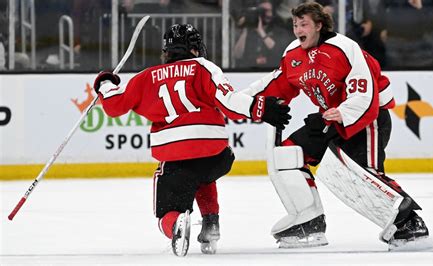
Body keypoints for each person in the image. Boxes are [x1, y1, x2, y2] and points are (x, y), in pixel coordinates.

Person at [93, 24, 291, 256]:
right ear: (195, 49)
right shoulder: (204, 67)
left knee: (166, 212)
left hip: (176, 159)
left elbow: (114, 106)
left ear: (166, 52)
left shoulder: (146, 77)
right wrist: (259, 108)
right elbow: (229, 100)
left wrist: (105, 83)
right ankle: (211, 223)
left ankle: (176, 224)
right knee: (202, 173)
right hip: (217, 156)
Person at [242, 2, 429, 248]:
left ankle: (410, 223)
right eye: (295, 24)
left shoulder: (344, 48)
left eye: (304, 24)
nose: (298, 29)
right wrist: (238, 101)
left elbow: (366, 95)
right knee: (287, 155)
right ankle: (309, 221)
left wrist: (339, 113)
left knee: (361, 173)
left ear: (319, 25)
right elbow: (275, 83)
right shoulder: (293, 54)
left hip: (368, 118)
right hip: (329, 119)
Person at [233, 0, 293, 68]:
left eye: (268, 11)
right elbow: (237, 54)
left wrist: (261, 31)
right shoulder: (250, 31)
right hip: (249, 71)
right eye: (263, 11)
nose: (266, 14)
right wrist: (245, 31)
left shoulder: (279, 30)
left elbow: (279, 51)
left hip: (271, 71)